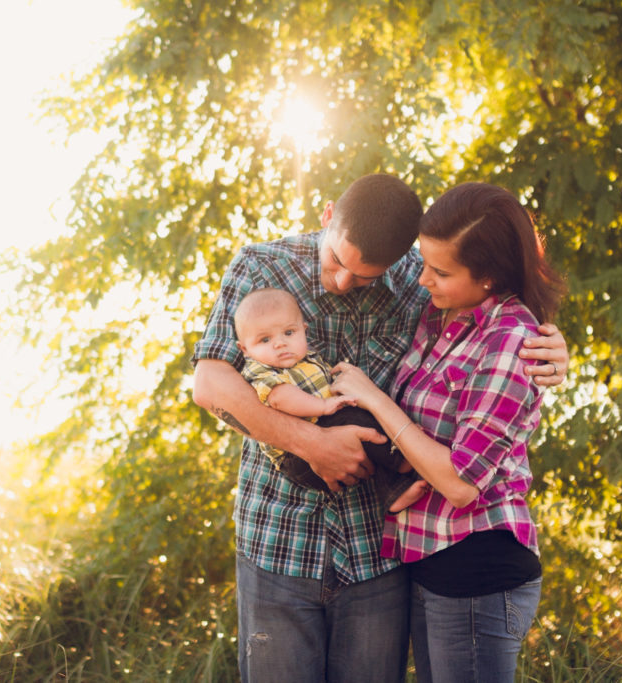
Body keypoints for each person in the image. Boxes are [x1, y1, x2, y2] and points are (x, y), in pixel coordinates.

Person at [192, 173, 569, 682]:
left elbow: (493, 315)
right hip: (279, 539)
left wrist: (552, 349)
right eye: (337, 263)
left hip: (378, 553)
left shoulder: (422, 283)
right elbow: (211, 383)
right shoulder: (261, 267)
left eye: (365, 277)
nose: (344, 282)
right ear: (327, 216)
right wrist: (314, 443)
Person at [330, 181, 566, 682]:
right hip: (431, 560)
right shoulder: (443, 316)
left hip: (478, 566)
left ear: (489, 278)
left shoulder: (511, 342)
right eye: (424, 262)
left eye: (439, 272)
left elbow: (461, 483)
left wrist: (374, 397)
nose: (422, 280)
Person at [233, 286, 428, 512]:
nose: (280, 343)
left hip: (325, 431)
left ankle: (393, 493)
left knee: (360, 426)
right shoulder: (261, 370)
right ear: (244, 349)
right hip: (297, 457)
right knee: (353, 419)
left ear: (304, 330)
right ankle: (401, 455)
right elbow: (280, 398)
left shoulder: (309, 360)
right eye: (265, 339)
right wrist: (324, 406)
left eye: (288, 333)